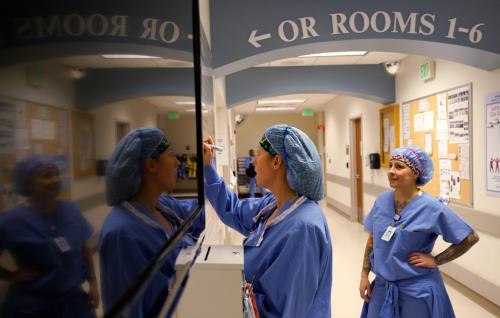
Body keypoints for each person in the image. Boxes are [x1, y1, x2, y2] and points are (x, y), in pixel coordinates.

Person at [203, 124, 332, 318]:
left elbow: (282, 310)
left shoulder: (303, 228)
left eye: (259, 153)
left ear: (276, 161)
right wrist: (207, 166)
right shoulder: (272, 205)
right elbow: (234, 211)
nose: (253, 161)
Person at [359, 146, 479, 318]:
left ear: (415, 173)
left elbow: (470, 237)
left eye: (399, 167)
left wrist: (436, 260)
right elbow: (372, 240)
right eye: (391, 165)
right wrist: (364, 275)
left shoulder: (431, 207)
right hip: (382, 288)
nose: (391, 171)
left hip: (416, 291)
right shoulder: (381, 201)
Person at [99, 127, 204, 318]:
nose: (177, 163)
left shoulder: (161, 206)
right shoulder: (123, 234)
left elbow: (203, 214)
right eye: (171, 155)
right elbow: (131, 311)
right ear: (151, 165)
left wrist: (210, 172)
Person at [0, 155, 98, 317]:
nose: (56, 180)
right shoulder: (12, 221)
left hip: (74, 304)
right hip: (32, 307)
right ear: (28, 183)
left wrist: (93, 284)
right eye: (47, 175)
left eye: (57, 174)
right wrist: (11, 275)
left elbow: (84, 251)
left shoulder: (71, 211)